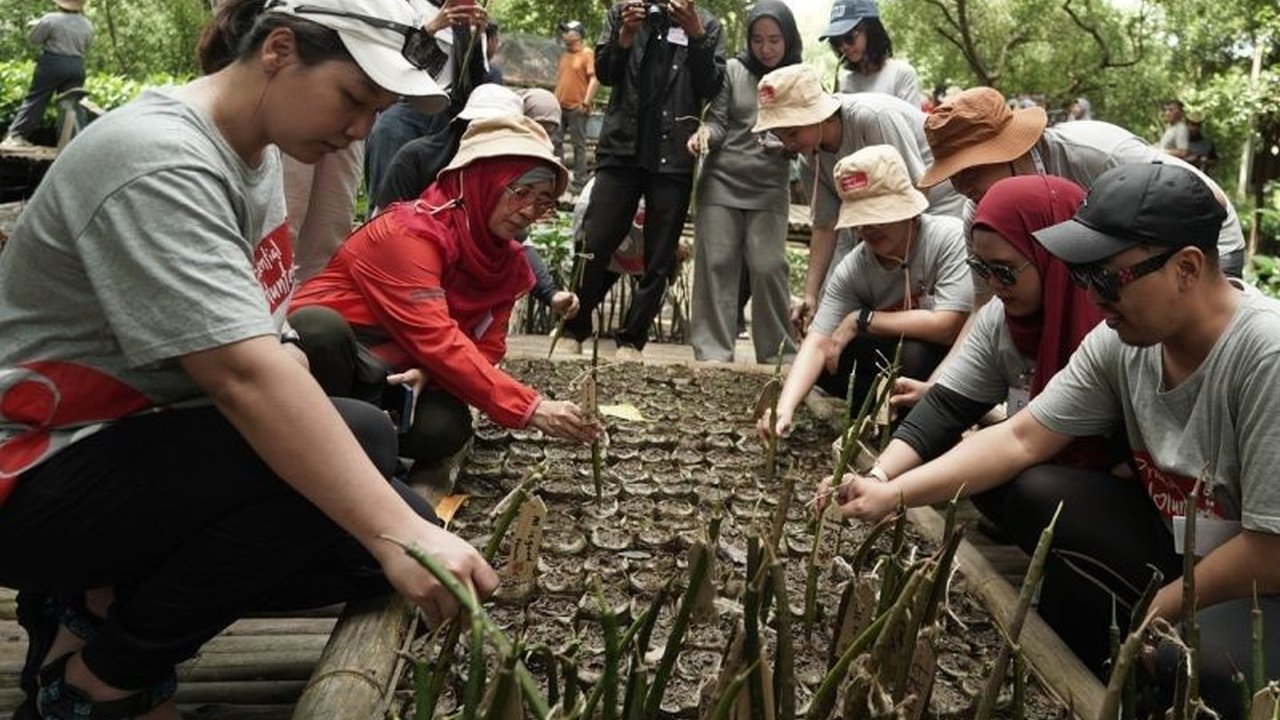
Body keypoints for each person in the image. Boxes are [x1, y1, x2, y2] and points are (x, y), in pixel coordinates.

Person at [0, 1, 500, 718]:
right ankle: (101, 684)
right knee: (363, 478)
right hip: (31, 473)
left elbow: (272, 343)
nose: (360, 129)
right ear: (278, 50)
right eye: (353, 99)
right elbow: (241, 376)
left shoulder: (256, 153)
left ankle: (89, 607)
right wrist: (397, 528)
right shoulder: (156, 158)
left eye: (376, 109)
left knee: (366, 506)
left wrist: (390, 518)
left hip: (132, 443)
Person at [827, 162, 1280, 717]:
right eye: (1084, 276)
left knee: (1195, 662)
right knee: (1038, 489)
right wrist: (888, 491)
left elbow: (1270, 547)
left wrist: (1164, 606)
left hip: (1267, 578)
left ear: (1187, 268)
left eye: (1108, 278)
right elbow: (1021, 436)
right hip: (1189, 546)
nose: (1092, 295)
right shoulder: (1122, 342)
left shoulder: (1265, 354)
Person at [289, 115, 598, 472]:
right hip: (343, 357)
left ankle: (355, 445)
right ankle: (315, 452)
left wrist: (429, 374)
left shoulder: (509, 265)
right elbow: (435, 336)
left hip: (393, 376)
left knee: (446, 427)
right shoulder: (408, 233)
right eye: (520, 192)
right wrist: (531, 407)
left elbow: (488, 347)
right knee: (316, 330)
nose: (529, 211)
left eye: (542, 201)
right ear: (481, 182)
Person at [837, 175, 1125, 529]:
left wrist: (892, 491)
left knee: (1031, 488)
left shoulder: (1117, 328)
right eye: (981, 268)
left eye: (1004, 271)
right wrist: (879, 477)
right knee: (994, 482)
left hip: (1130, 489)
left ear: (1054, 258)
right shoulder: (998, 317)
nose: (992, 284)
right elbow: (947, 406)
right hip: (1041, 447)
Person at [917, 86, 1246, 277]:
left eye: (970, 171)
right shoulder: (978, 212)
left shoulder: (1098, 154)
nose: (961, 188)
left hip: (1203, 244)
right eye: (952, 176)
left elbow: (1208, 196)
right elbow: (985, 306)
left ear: (1008, 151)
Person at [758, 145, 971, 440]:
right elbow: (818, 342)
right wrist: (785, 408)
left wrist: (863, 319)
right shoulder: (856, 265)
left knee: (913, 353)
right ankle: (874, 412)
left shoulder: (949, 238)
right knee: (828, 358)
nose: (869, 228)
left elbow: (948, 326)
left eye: (879, 216)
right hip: (888, 367)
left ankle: (912, 429)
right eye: (860, 221)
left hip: (945, 368)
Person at [751, 63, 965, 337]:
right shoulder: (809, 158)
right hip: (882, 218)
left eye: (792, 133)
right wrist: (811, 294)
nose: (789, 145)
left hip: (935, 202)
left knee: (924, 294)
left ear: (818, 114)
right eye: (781, 136)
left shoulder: (872, 118)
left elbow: (916, 188)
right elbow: (826, 224)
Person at [563, 0, 726, 361]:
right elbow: (604, 74)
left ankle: (631, 340)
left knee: (659, 254)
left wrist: (697, 35)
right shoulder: (623, 12)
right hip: (622, 146)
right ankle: (576, 326)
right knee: (594, 238)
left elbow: (711, 85)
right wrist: (625, 36)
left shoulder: (708, 25)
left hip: (674, 155)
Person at [687, 0, 800, 364]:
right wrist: (703, 133)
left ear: (788, 39)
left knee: (768, 266)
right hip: (721, 181)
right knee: (717, 264)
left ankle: (778, 353)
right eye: (757, 39)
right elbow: (719, 121)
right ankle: (713, 352)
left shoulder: (797, 78)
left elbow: (805, 135)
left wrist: (788, 143)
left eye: (774, 40)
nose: (765, 49)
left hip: (769, 187)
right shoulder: (733, 70)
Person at [362, 0, 491, 200]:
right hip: (406, 108)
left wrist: (475, 39)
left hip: (448, 116)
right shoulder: (407, 6)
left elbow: (476, 83)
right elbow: (394, 62)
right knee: (388, 193)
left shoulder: (469, 23)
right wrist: (431, 28)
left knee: (432, 195)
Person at [371, 82, 523, 212]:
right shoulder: (416, 159)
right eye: (479, 127)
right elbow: (384, 222)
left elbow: (517, 237)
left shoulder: (508, 176)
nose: (485, 138)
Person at [1, 0, 93, 149]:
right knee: (70, 105)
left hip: (53, 63)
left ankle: (16, 137)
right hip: (77, 66)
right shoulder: (87, 25)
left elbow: (34, 39)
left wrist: (37, 26)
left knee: (36, 99)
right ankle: (74, 145)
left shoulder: (51, 19)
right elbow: (87, 46)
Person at [818, 0, 919, 104]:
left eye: (849, 37)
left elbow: (911, 120)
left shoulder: (901, 74)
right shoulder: (846, 83)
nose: (844, 47)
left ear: (871, 31)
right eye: (836, 41)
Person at [554, 19, 598, 193]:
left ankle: (580, 181)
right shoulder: (565, 55)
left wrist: (586, 102)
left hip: (577, 107)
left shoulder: (587, 54)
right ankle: (558, 177)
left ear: (578, 34)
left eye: (568, 31)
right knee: (555, 142)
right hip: (560, 105)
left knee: (578, 145)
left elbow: (594, 79)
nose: (564, 35)